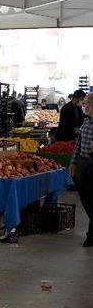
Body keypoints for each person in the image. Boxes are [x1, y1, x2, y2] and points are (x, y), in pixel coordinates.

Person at [69, 94, 93, 247]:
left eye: (86, 103)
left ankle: (91, 236)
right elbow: (78, 144)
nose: (83, 106)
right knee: (85, 197)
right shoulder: (86, 121)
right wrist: (73, 162)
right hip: (84, 164)